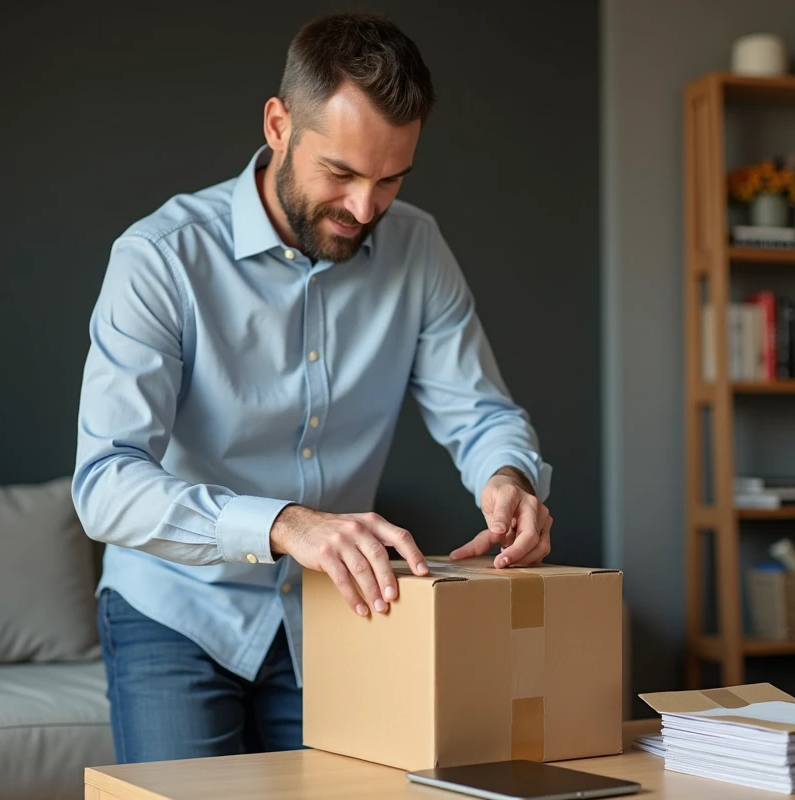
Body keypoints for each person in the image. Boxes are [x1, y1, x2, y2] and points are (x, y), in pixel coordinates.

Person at [71, 11, 553, 765]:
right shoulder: (159, 259)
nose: (366, 210)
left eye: (390, 179)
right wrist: (286, 524)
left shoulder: (418, 248)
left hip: (337, 614)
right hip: (175, 610)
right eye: (342, 173)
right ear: (278, 125)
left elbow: (479, 410)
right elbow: (104, 485)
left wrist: (508, 475)